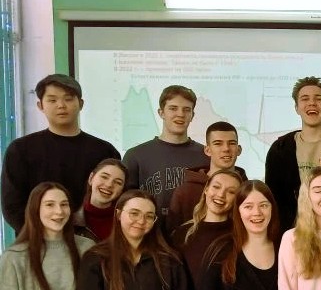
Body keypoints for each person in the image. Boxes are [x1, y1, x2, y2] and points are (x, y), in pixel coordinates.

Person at [2, 74, 119, 233]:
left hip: (94, 241)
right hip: (37, 241)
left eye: (68, 99)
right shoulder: (20, 150)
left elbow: (116, 202)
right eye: (52, 100)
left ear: (81, 104)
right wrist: (45, 237)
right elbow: (12, 206)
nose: (61, 105)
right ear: (40, 105)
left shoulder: (104, 150)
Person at [123, 85, 207, 227]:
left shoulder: (206, 155)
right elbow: (125, 205)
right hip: (148, 234)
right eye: (173, 108)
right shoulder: (135, 156)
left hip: (193, 233)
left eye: (186, 110)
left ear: (192, 115)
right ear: (161, 113)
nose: (180, 114)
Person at [265, 77, 321, 231]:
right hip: (293, 231)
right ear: (296, 108)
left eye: (318, 98)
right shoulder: (280, 149)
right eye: (305, 99)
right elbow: (273, 197)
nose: (312, 103)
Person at [167, 121, 246, 233]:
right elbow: (172, 235)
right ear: (207, 150)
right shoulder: (185, 192)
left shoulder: (248, 190)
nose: (226, 149)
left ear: (239, 150)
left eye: (232, 143)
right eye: (218, 143)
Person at [170, 169, 244, 283]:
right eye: (216, 187)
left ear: (237, 199)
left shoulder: (240, 236)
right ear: (206, 189)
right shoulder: (182, 233)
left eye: (231, 192)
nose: (221, 195)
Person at [74, 158, 128, 241]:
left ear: (122, 190)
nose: (109, 185)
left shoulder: (126, 222)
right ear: (91, 178)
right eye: (104, 177)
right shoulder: (70, 220)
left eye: (118, 182)